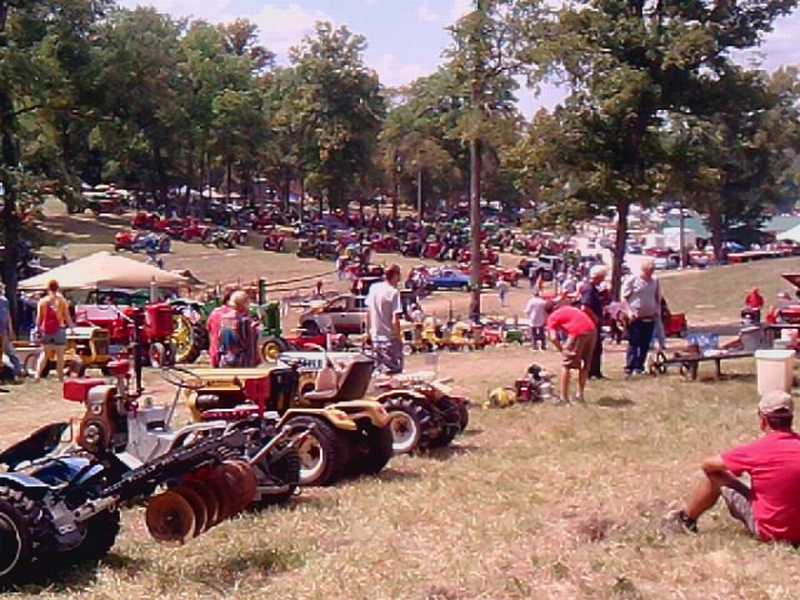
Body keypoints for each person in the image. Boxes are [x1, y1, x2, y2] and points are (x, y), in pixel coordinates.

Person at [665, 391, 800, 544]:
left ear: (763, 421)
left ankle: (686, 520)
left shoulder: (755, 451)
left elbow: (708, 465)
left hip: (770, 531)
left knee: (715, 476)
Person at [546, 303, 597, 404]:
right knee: (585, 364)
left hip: (577, 332)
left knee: (566, 365)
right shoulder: (567, 308)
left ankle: (564, 398)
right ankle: (580, 394)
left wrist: (562, 350)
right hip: (592, 330)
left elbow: (553, 337)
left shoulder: (552, 317)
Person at [622, 259, 661, 377]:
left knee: (645, 343)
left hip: (649, 317)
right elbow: (623, 298)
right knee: (634, 342)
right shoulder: (632, 280)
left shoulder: (655, 281)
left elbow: (657, 298)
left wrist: (657, 310)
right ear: (643, 270)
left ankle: (640, 367)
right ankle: (630, 367)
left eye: (652, 271)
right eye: (648, 271)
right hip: (635, 318)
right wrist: (629, 312)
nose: (650, 273)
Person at [365, 264, 404, 374]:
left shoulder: (374, 288)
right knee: (393, 371)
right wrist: (399, 338)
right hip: (389, 338)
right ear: (395, 275)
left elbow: (368, 313)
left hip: (376, 337)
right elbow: (394, 319)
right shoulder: (393, 293)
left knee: (379, 371)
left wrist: (368, 333)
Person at [35, 280, 74, 381]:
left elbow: (39, 317)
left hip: (46, 330)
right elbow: (67, 316)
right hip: (59, 329)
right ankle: (60, 377)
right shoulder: (62, 300)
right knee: (60, 355)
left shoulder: (42, 301)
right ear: (58, 288)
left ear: (48, 288)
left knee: (45, 354)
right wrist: (72, 327)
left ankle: (37, 375)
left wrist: (38, 329)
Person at [216, 290, 258, 368]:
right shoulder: (244, 322)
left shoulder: (224, 319)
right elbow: (250, 347)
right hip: (241, 362)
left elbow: (219, 341)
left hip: (226, 360)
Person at [580, 265, 607, 379]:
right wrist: (595, 317)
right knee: (593, 348)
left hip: (595, 324)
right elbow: (584, 307)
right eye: (602, 277)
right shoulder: (589, 289)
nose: (603, 279)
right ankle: (590, 372)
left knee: (597, 348)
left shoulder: (594, 289)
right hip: (591, 324)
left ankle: (596, 372)